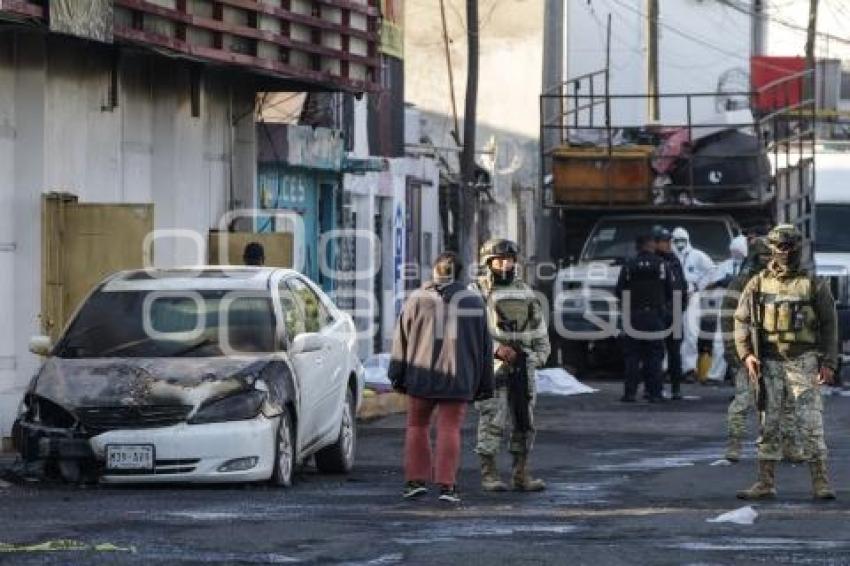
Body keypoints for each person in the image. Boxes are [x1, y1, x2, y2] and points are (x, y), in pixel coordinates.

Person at [734, 224, 838, 500]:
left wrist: (829, 362)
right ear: (771, 249)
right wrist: (747, 354)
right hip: (768, 362)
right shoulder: (757, 283)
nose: (785, 252)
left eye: (790, 246)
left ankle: (821, 482)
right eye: (780, 246)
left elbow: (829, 326)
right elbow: (741, 319)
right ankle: (765, 482)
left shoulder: (813, 285)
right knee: (768, 425)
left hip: (804, 361)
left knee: (811, 424)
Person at [388, 252, 494, 504]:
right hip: (459, 379)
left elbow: (400, 341)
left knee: (417, 426)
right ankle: (447, 486)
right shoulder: (474, 302)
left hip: (420, 377)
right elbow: (485, 347)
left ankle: (415, 481)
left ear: (434, 271)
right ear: (460, 274)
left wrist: (397, 375)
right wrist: (484, 384)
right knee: (449, 428)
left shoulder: (416, 300)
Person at [471, 238, 551, 492]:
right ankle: (489, 475)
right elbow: (469, 332)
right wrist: (496, 350)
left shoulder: (524, 290)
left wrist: (538, 357)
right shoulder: (477, 292)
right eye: (500, 260)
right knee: (492, 421)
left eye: (510, 259)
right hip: (492, 368)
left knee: (524, 422)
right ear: (488, 262)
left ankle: (521, 474)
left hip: (523, 365)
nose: (506, 264)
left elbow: (539, 328)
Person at [616, 234, 672, 403]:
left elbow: (619, 290)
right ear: (651, 245)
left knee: (632, 355)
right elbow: (669, 290)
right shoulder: (661, 264)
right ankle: (654, 393)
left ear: (637, 247)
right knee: (654, 355)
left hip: (633, 315)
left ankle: (630, 393)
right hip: (654, 315)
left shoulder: (629, 265)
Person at [672, 227, 716, 376]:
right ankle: (667, 367)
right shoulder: (669, 257)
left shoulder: (697, 256)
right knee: (669, 333)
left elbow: (712, 270)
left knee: (691, 332)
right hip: (672, 297)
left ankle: (689, 367)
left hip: (692, 296)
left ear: (687, 240)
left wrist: (699, 286)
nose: (679, 243)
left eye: (682, 240)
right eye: (676, 240)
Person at [653, 226, 688, 400]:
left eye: (669, 241)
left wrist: (681, 307)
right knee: (656, 353)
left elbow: (682, 285)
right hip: (657, 313)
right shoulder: (653, 261)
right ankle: (655, 388)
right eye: (664, 241)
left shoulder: (674, 260)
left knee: (675, 353)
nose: (668, 245)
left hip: (673, 312)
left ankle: (676, 388)